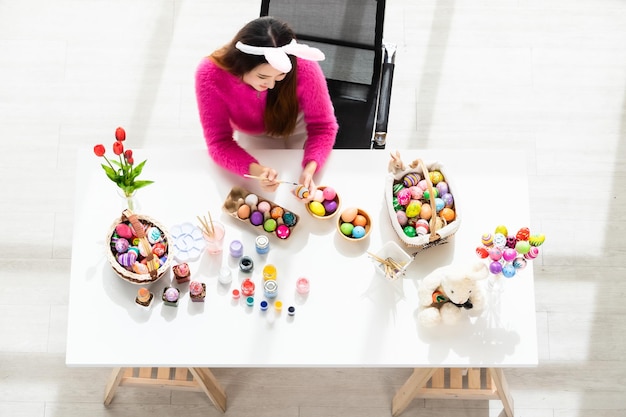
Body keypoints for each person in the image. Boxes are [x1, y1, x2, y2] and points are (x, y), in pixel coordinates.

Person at [195, 16, 338, 199]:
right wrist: (258, 171)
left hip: (298, 125)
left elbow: (323, 127)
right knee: (263, 195)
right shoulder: (210, 74)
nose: (271, 86)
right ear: (241, 65)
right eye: (263, 77)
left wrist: (311, 168)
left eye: (279, 77)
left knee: (305, 192)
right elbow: (219, 143)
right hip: (253, 132)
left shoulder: (304, 66)